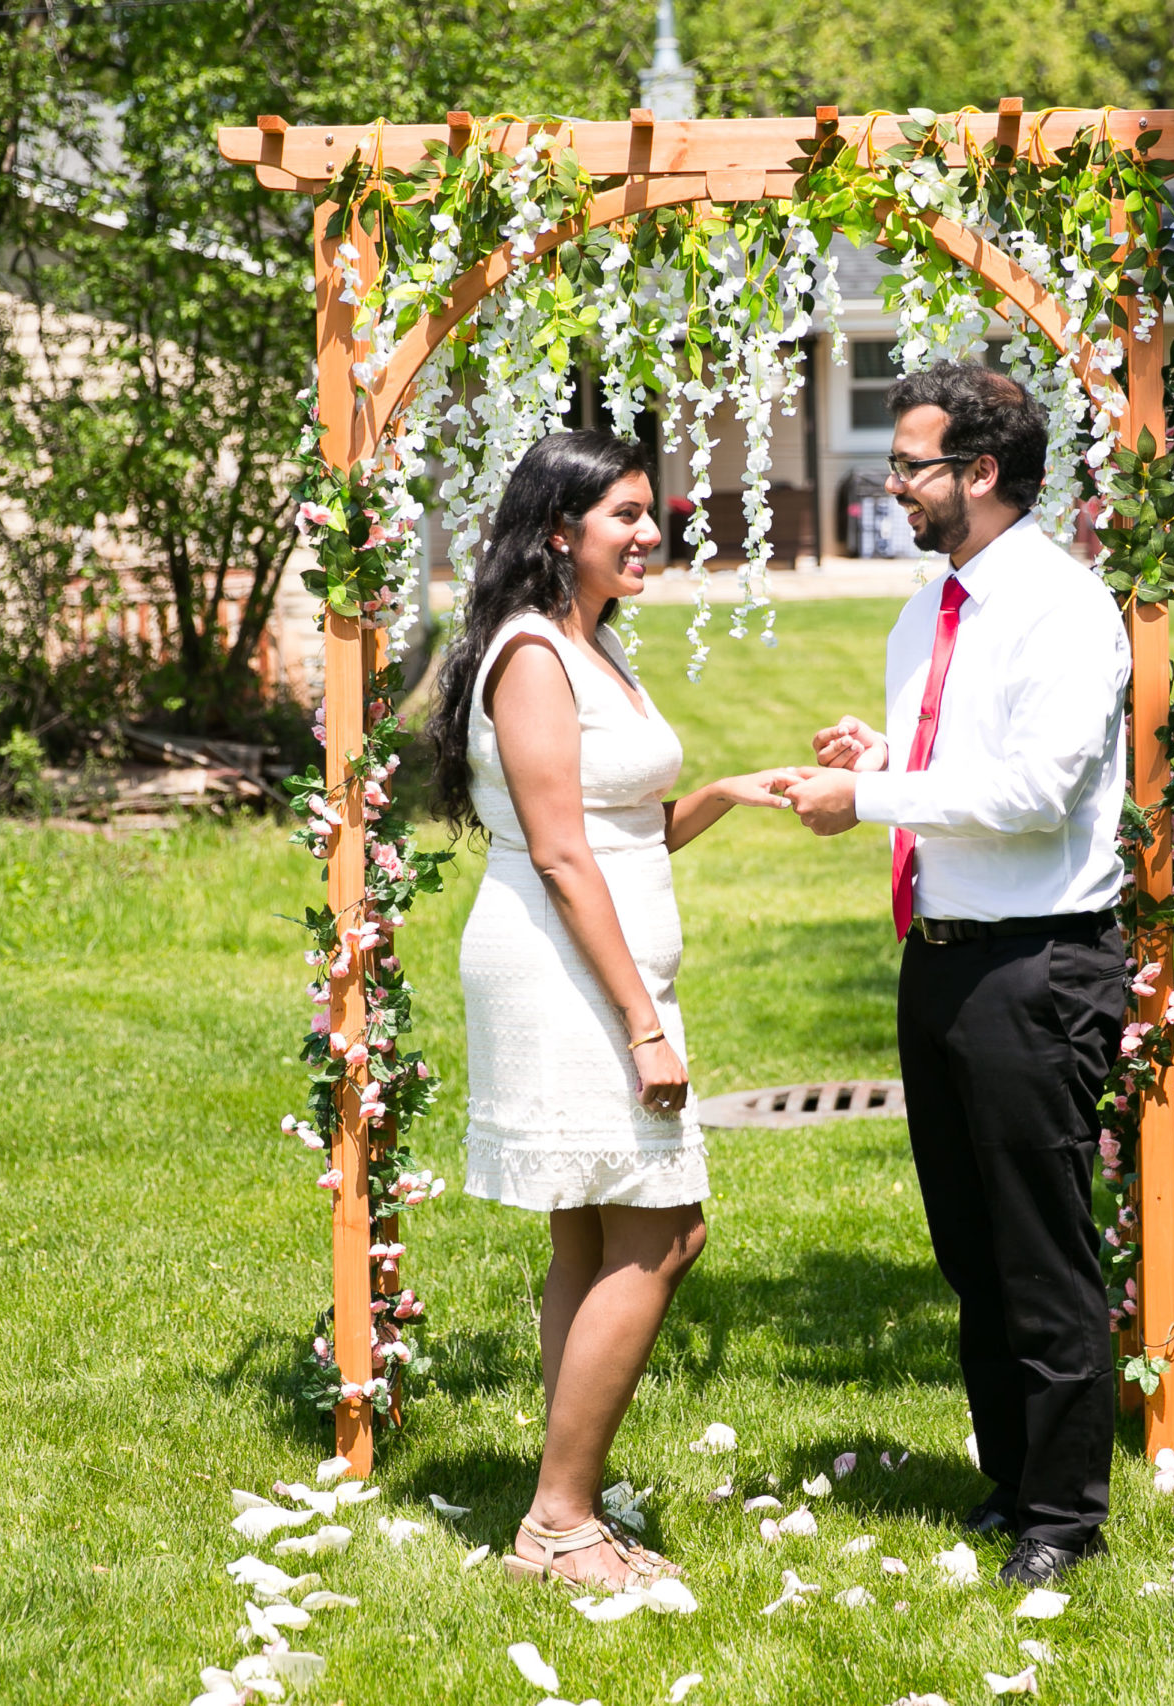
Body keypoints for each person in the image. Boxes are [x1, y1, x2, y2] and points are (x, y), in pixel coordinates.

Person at [780, 362, 1132, 1589]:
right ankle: (1010, 1478)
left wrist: (867, 794)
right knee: (969, 1247)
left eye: (912, 465)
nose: (892, 484)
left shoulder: (1061, 606)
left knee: (1038, 1249)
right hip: (938, 956)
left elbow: (1037, 794)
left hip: (1035, 961)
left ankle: (1065, 1516)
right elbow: (971, 758)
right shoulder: (933, 603)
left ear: (980, 474)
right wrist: (882, 750)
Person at [428, 430, 795, 1590]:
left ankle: (564, 1496)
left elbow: (623, 826)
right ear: (557, 532)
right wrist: (643, 1022)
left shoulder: (595, 643)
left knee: (589, 1230)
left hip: (602, 958)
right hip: (565, 969)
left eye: (651, 511)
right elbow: (559, 855)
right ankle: (557, 1517)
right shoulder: (533, 654)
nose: (652, 530)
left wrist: (728, 792)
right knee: (666, 1227)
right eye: (625, 515)